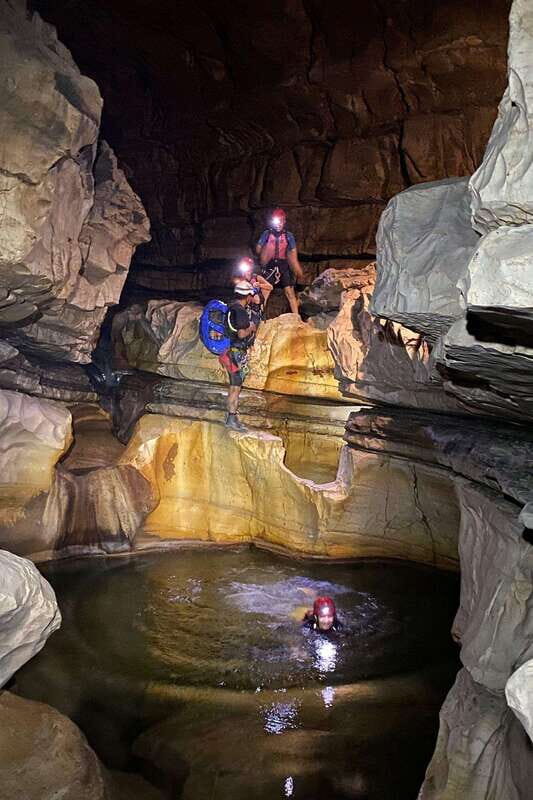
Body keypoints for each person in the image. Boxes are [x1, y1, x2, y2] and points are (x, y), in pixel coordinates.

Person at [218, 280, 258, 432]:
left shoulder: (230, 307)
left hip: (229, 351)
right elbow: (241, 334)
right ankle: (231, 418)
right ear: (247, 296)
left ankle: (232, 417)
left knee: (234, 386)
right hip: (235, 353)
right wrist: (252, 327)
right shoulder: (240, 310)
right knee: (235, 387)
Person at [255, 208, 304, 316]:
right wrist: (265, 249)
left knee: (289, 292)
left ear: (284, 222)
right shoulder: (267, 234)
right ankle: (260, 317)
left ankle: (297, 317)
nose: (278, 224)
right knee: (265, 291)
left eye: (281, 221)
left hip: (283, 264)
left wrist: (297, 269)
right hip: (270, 265)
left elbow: (293, 254)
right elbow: (258, 249)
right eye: (276, 221)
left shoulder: (288, 236)